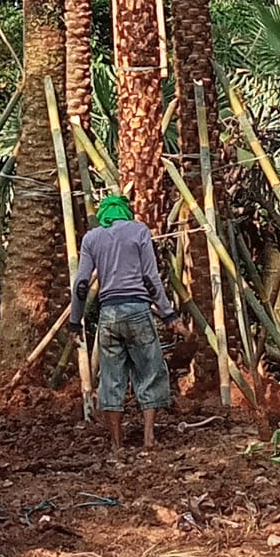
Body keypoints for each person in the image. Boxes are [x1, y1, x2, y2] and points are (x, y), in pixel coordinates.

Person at [69, 194, 187, 455]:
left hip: (108, 315)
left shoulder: (91, 239)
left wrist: (75, 322)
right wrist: (168, 315)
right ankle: (148, 437)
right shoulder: (139, 231)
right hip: (137, 310)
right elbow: (150, 278)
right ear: (125, 212)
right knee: (149, 372)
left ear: (103, 215)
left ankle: (116, 443)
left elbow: (81, 284)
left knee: (111, 379)